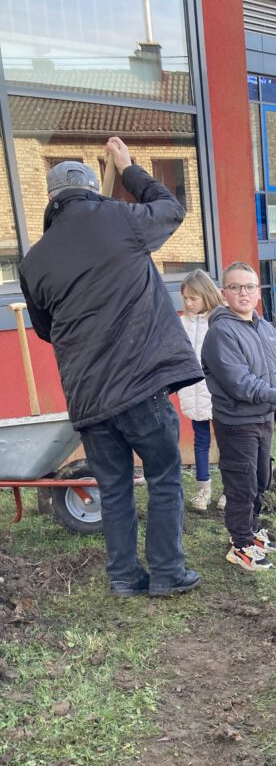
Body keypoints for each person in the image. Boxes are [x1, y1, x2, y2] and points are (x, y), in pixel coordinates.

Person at [18, 138, 203, 598]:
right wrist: (129, 169)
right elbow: (170, 208)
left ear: (51, 199)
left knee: (115, 487)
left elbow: (46, 329)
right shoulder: (120, 220)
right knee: (163, 475)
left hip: (88, 398)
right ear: (88, 188)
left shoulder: (33, 262)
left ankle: (123, 577)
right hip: (139, 386)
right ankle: (167, 574)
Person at [201, 262, 276, 572]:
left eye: (249, 287)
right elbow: (238, 383)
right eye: (235, 287)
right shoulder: (221, 332)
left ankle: (252, 531)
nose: (243, 293)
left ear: (259, 292)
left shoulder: (264, 327)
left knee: (260, 479)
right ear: (223, 292)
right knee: (241, 484)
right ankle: (240, 545)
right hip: (237, 421)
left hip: (263, 417)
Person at [177, 270, 225, 512]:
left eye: (193, 298)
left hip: (217, 393)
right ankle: (203, 490)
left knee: (226, 442)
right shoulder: (181, 323)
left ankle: (229, 489)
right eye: (185, 298)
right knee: (201, 441)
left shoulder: (220, 320)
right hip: (193, 392)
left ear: (206, 295)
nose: (188, 303)